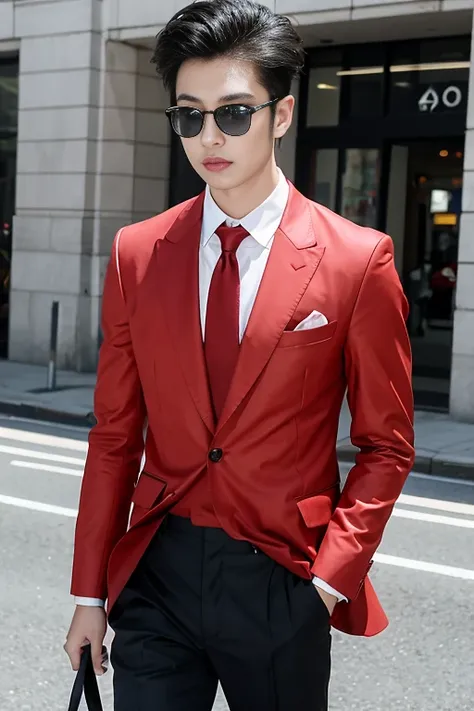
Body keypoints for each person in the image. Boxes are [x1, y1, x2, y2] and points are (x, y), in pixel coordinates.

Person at [64, 1, 415, 709]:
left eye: (233, 113)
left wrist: (325, 583)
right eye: (189, 116)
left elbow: (387, 444)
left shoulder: (356, 260)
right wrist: (87, 593)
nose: (209, 137)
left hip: (282, 581)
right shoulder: (138, 254)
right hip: (157, 577)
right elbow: (113, 435)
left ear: (282, 115)